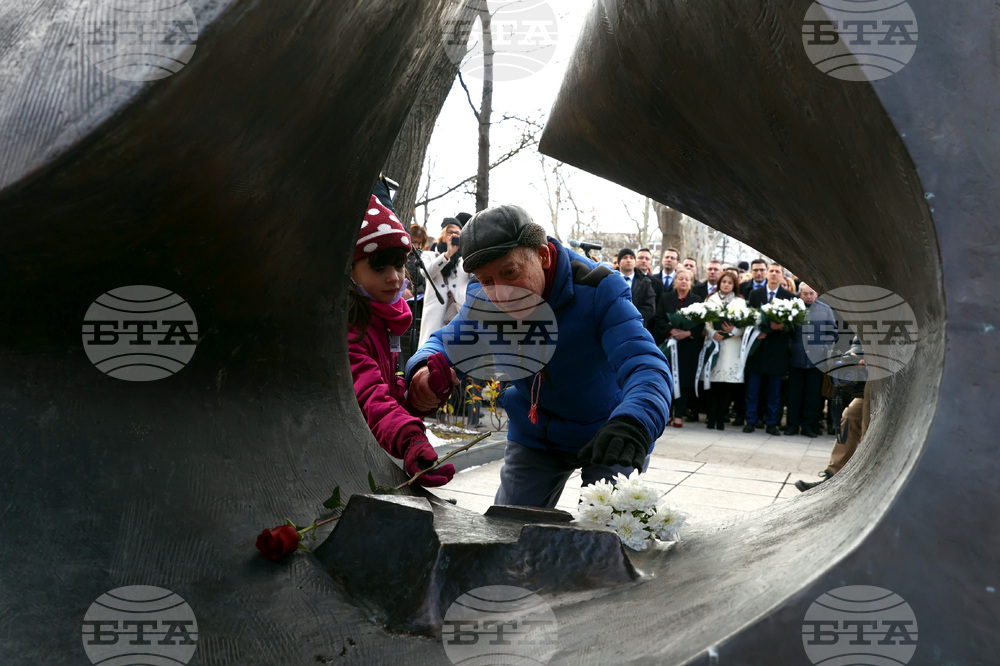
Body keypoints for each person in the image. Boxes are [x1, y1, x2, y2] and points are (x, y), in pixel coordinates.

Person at [406, 205, 671, 509]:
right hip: (535, 435)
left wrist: (634, 422)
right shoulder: (485, 298)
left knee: (607, 533)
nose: (501, 293)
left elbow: (646, 364)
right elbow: (446, 343)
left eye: (510, 272)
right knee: (507, 531)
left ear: (543, 256)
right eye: (487, 280)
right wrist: (424, 367)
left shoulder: (599, 288)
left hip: (608, 432)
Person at [348, 196, 456, 487]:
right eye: (379, 269)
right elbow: (368, 396)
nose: (394, 278)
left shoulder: (383, 320)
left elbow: (389, 393)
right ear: (350, 270)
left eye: (398, 267)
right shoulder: (351, 329)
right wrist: (410, 440)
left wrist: (423, 391)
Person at [743, 263, 796, 435]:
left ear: (782, 276)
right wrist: (758, 330)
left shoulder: (789, 297)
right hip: (758, 350)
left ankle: (771, 423)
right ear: (766, 274)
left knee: (774, 392)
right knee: (753, 390)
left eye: (777, 272)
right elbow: (749, 319)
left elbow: (794, 326)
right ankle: (750, 421)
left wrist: (781, 327)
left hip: (777, 352)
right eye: (771, 271)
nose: (774, 274)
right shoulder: (755, 294)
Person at [653, 268, 704, 428]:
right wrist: (671, 330)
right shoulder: (666, 297)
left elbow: (702, 322)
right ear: (675, 281)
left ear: (691, 282)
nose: (684, 281)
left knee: (684, 381)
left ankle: (679, 414)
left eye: (687, 279)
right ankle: (666, 413)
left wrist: (688, 331)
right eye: (680, 278)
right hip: (670, 344)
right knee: (668, 379)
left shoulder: (697, 300)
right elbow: (658, 318)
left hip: (688, 346)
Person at [785, 283, 836, 437]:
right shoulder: (793, 309)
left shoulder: (825, 310)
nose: (808, 297)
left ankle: (808, 425)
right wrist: (790, 346)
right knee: (794, 394)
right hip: (796, 358)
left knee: (812, 395)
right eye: (805, 294)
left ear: (817, 294)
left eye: (811, 293)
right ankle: (792, 424)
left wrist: (823, 347)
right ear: (800, 294)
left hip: (816, 360)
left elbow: (832, 332)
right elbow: (787, 330)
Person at [702, 270, 745, 430]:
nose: (726, 285)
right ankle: (711, 417)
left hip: (732, 346)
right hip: (715, 345)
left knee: (727, 385)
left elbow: (744, 325)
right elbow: (706, 321)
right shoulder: (710, 299)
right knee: (713, 386)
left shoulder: (740, 302)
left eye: (729, 282)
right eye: (724, 282)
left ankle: (721, 418)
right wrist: (712, 333)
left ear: (734, 285)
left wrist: (734, 330)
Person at [418, 217, 471, 347]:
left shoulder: (464, 259)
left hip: (458, 314)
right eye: (450, 232)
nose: (453, 236)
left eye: (457, 233)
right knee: (430, 351)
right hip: (434, 316)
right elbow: (427, 272)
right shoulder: (429, 255)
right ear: (443, 235)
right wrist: (447, 254)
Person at [618, 248, 656, 329]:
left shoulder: (645, 282)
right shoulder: (610, 280)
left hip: (637, 326)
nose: (628, 260)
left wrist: (632, 316)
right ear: (618, 263)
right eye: (625, 258)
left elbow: (650, 308)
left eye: (631, 258)